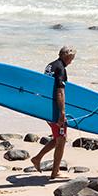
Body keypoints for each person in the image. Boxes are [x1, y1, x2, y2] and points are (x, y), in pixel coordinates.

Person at [31, 46, 76, 179]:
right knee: (61, 140)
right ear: (67, 56)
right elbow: (60, 91)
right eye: (71, 59)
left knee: (58, 138)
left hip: (47, 108)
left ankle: (37, 158)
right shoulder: (61, 68)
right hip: (55, 110)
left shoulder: (50, 66)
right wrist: (61, 113)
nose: (71, 62)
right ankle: (55, 172)